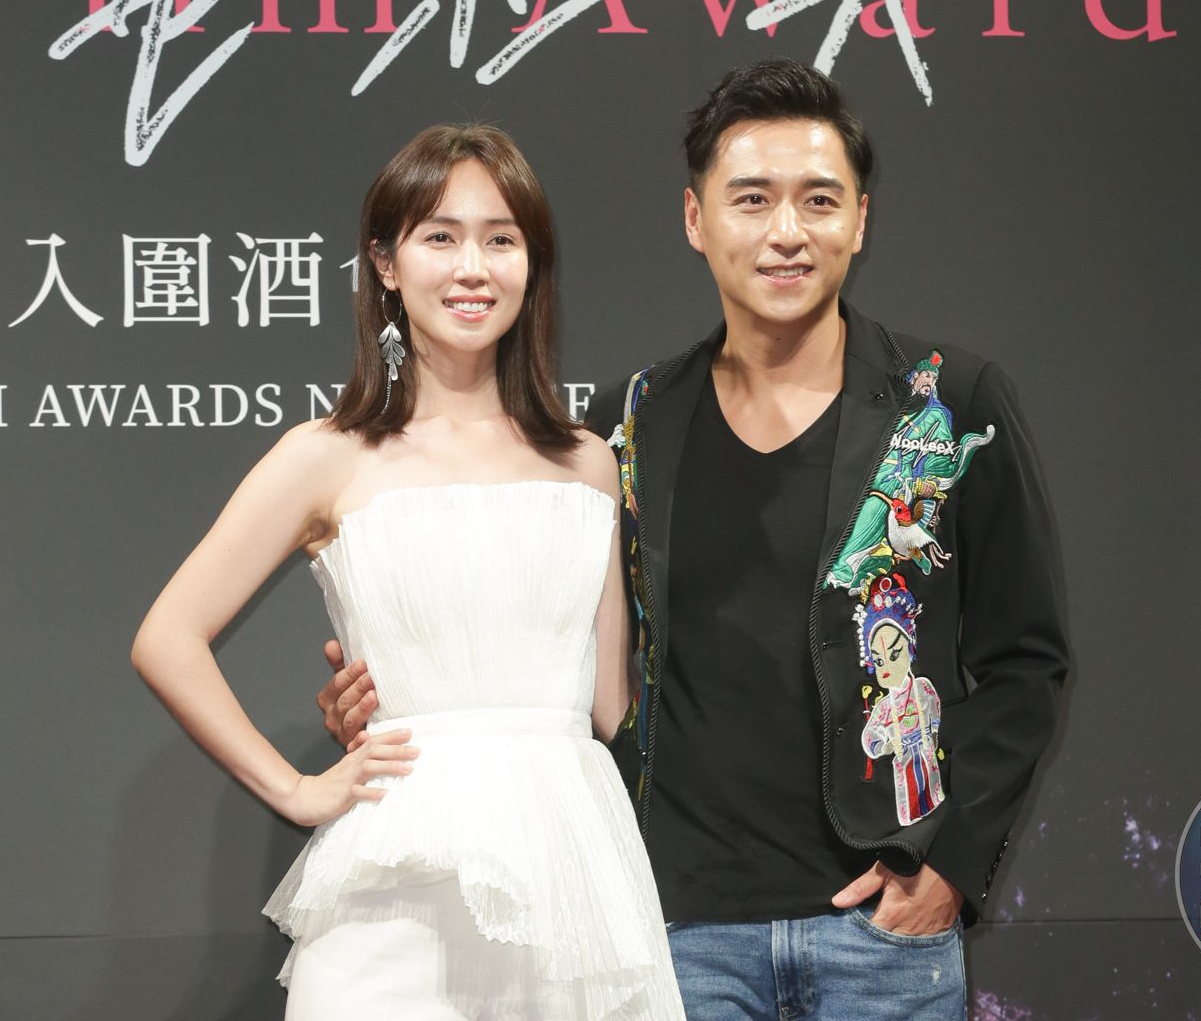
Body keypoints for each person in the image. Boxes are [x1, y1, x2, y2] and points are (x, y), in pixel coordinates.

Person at [322, 60, 1072, 1020]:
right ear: (695, 218)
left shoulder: (948, 403)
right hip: (678, 932)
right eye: (751, 199)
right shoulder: (626, 426)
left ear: (860, 221)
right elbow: (562, 657)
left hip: (882, 937)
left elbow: (1027, 661)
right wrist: (405, 698)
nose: (786, 231)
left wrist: (950, 869)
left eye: (819, 200)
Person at [131, 124, 684, 1020]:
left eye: (501, 239)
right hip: (399, 880)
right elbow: (168, 637)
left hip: (571, 869)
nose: (473, 268)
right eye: (440, 237)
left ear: (532, 265)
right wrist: (297, 791)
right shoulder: (327, 455)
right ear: (386, 264)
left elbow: (611, 705)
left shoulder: (587, 461)